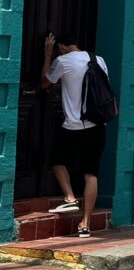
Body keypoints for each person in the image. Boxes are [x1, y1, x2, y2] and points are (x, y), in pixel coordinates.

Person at [40, 32, 108, 238]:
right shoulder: (99, 60)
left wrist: (47, 53)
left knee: (57, 161)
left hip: (73, 125)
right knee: (91, 174)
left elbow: (44, 83)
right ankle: (85, 223)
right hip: (97, 125)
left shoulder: (62, 61)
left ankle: (69, 198)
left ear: (61, 46)